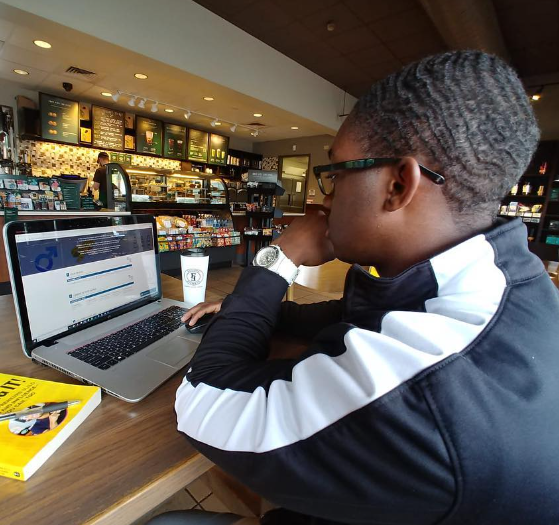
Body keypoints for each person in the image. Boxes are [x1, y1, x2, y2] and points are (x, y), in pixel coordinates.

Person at [152, 51, 559, 524]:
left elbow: (205, 403)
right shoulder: (503, 278)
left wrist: (278, 260)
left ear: (398, 186)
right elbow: (350, 318)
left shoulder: (429, 387)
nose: (326, 198)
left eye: (336, 174)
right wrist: (245, 307)